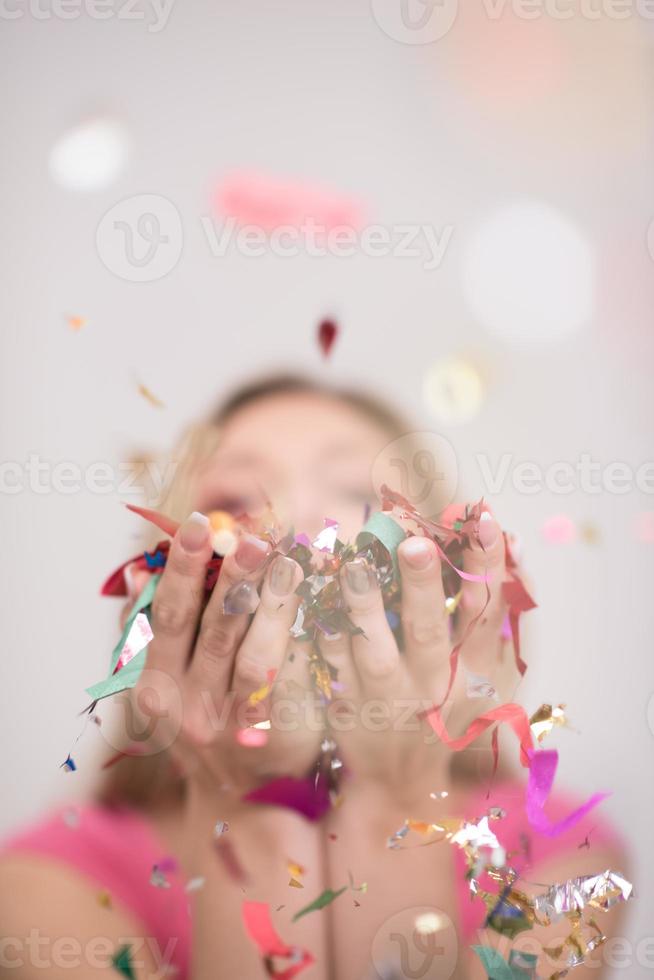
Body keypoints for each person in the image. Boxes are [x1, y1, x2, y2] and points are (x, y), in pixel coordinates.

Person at [0, 375, 627, 980]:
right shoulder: (48, 883)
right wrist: (241, 808)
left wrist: (397, 800)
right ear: (162, 586)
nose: (295, 521)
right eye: (236, 500)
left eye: (358, 493)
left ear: (447, 575)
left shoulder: (562, 857)